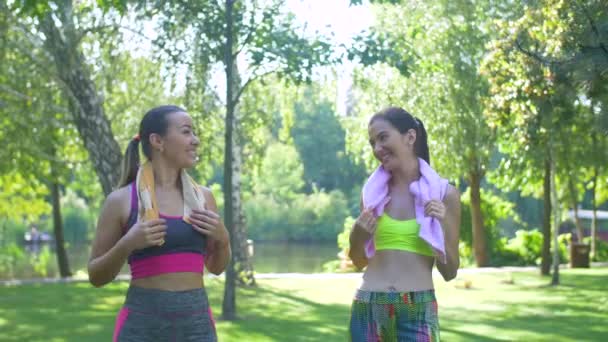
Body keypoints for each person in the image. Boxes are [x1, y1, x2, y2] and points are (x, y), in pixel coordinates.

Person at [88, 105, 230, 342]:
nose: (195, 140)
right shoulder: (121, 201)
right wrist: (128, 243)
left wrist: (223, 239)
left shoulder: (203, 198)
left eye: (194, 133)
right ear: (157, 141)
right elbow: (96, 276)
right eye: (186, 132)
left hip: (196, 325)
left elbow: (216, 267)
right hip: (142, 325)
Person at [348, 107, 461, 341]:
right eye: (372, 143)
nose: (377, 149)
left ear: (410, 137)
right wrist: (356, 237)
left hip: (418, 308)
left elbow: (449, 272)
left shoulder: (444, 194)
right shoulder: (372, 195)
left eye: (383, 137)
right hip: (369, 303)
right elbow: (359, 261)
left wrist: (443, 223)